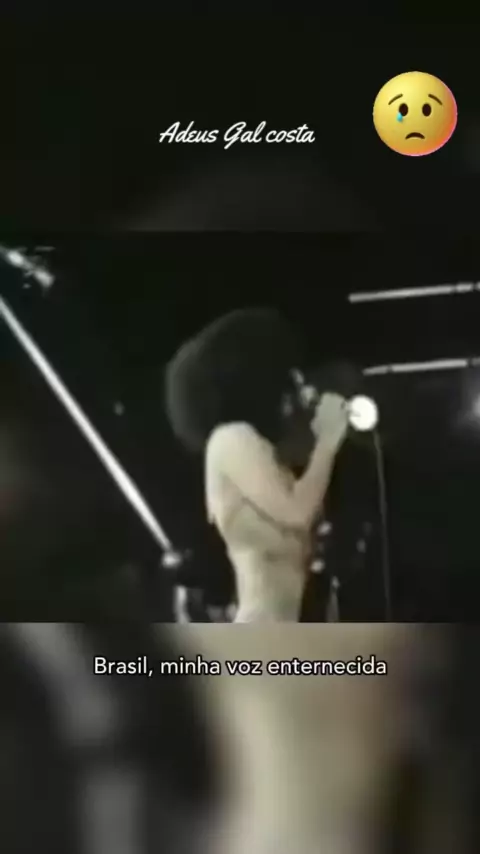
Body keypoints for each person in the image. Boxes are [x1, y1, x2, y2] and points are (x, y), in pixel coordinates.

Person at [165, 308, 349, 622]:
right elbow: (297, 513)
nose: (300, 384)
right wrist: (327, 443)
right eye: (288, 374)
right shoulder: (231, 439)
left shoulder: (271, 458)